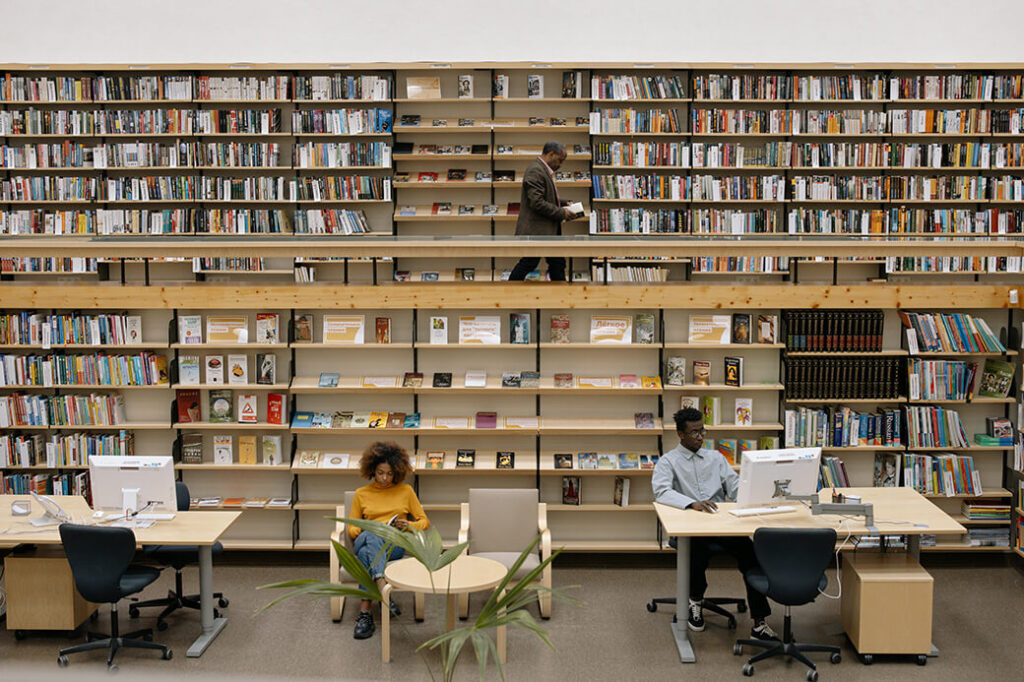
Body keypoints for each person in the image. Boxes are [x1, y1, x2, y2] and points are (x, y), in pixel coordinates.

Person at [651, 407, 778, 641]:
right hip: (690, 531)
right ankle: (694, 601)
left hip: (722, 526)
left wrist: (758, 491)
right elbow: (661, 492)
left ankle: (760, 621)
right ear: (680, 434)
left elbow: (735, 487)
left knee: (751, 555)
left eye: (702, 431)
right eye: (694, 432)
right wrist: (691, 503)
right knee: (695, 555)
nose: (700, 437)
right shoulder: (668, 462)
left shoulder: (716, 458)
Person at [348, 441, 430, 640]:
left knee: (367, 554)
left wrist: (408, 525)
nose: (385, 478)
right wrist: (365, 527)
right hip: (365, 539)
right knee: (372, 534)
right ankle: (383, 588)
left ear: (397, 472)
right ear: (372, 471)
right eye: (380, 472)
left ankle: (365, 614)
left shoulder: (406, 491)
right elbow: (351, 529)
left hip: (392, 546)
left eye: (390, 473)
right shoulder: (361, 494)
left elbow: (424, 521)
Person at [508, 141, 576, 282]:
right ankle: (509, 289)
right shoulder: (535, 170)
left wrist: (563, 204)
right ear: (551, 154)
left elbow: (544, 197)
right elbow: (537, 203)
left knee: (557, 263)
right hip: (536, 231)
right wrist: (562, 213)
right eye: (560, 160)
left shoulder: (541, 170)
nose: (561, 164)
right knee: (529, 262)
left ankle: (562, 296)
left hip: (545, 231)